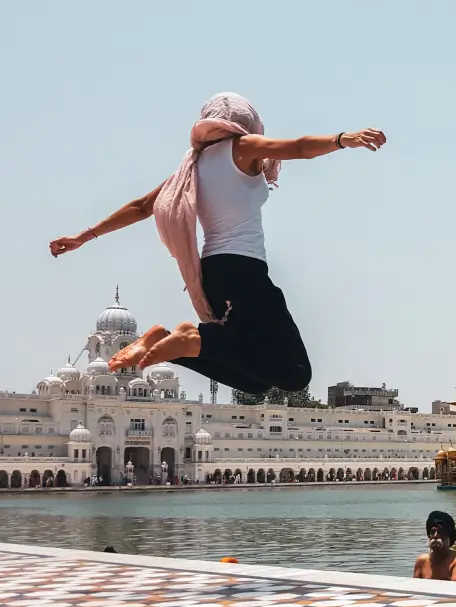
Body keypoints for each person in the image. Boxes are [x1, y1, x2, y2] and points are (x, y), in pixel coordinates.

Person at [50, 93, 386, 393]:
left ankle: (170, 341)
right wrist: (344, 139)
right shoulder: (244, 148)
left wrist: (85, 236)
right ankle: (188, 338)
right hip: (244, 273)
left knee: (253, 381)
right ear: (247, 124)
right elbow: (298, 147)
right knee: (295, 373)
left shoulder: (191, 168)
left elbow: (141, 207)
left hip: (214, 276)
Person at [413, 511, 456, 581]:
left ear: (449, 536)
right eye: (432, 532)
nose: (435, 536)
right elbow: (414, 587)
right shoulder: (422, 560)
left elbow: (455, 589)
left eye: (440, 532)